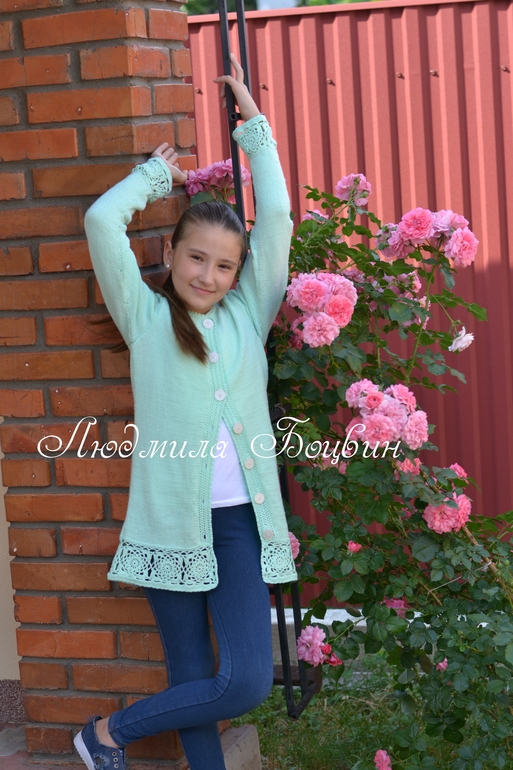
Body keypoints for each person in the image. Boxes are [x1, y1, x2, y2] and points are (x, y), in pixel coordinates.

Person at [73, 52, 298, 770]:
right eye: (196, 258)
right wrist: (151, 179)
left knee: (245, 681)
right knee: (191, 675)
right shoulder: (144, 317)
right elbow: (101, 222)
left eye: (224, 265)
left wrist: (254, 130)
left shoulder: (248, 314)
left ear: (239, 274)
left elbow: (278, 218)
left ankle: (108, 733)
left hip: (237, 526)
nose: (208, 275)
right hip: (169, 523)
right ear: (171, 253)